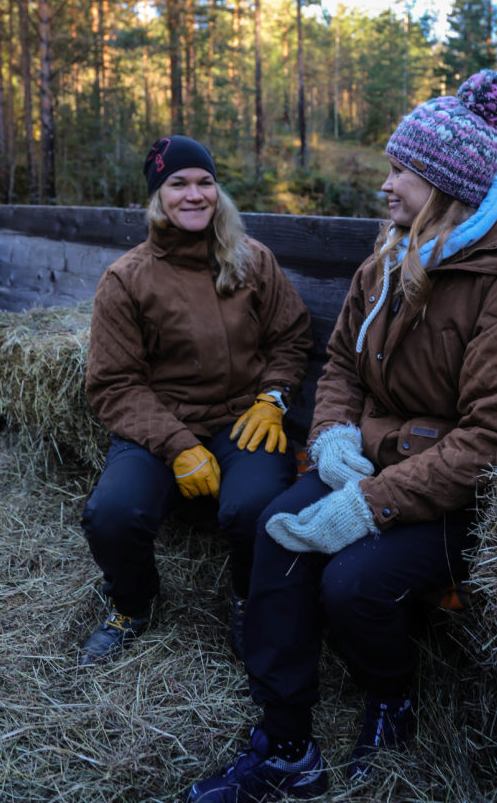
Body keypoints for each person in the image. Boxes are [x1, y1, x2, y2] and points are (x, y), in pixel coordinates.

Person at [185, 70, 497, 802]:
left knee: (353, 578)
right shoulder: (388, 259)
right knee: (275, 528)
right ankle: (285, 741)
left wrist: (370, 506)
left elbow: (495, 439)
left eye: (401, 172)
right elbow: (340, 364)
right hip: (361, 464)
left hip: (457, 496)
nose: (384, 185)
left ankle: (391, 695)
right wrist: (330, 439)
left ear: (445, 185)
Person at [79, 135, 312, 666]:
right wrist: (178, 445)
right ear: (157, 198)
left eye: (204, 182)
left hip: (242, 421)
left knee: (255, 509)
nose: (194, 194)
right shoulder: (126, 278)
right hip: (161, 425)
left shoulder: (253, 260)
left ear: (218, 192)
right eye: (177, 183)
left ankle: (249, 600)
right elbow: (113, 382)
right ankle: (132, 604)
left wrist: (273, 399)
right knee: (112, 513)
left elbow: (291, 337)